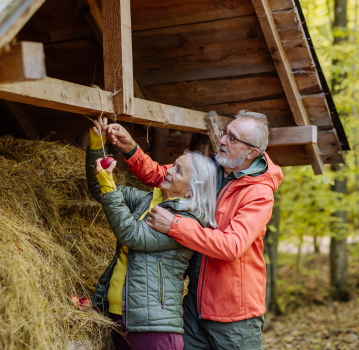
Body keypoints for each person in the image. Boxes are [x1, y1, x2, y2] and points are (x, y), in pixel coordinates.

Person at [106, 110, 283, 350]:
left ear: (251, 152)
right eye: (225, 133)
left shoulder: (258, 194)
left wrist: (175, 225)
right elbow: (162, 175)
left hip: (234, 315)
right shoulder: (214, 167)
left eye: (232, 138)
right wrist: (130, 148)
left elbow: (232, 246)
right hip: (194, 306)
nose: (221, 140)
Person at [87, 117, 218, 350]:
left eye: (178, 171)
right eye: (173, 164)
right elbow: (101, 188)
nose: (168, 171)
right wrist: (97, 145)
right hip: (120, 319)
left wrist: (108, 183)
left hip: (154, 329)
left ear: (191, 189)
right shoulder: (149, 200)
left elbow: (131, 234)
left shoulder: (185, 221)